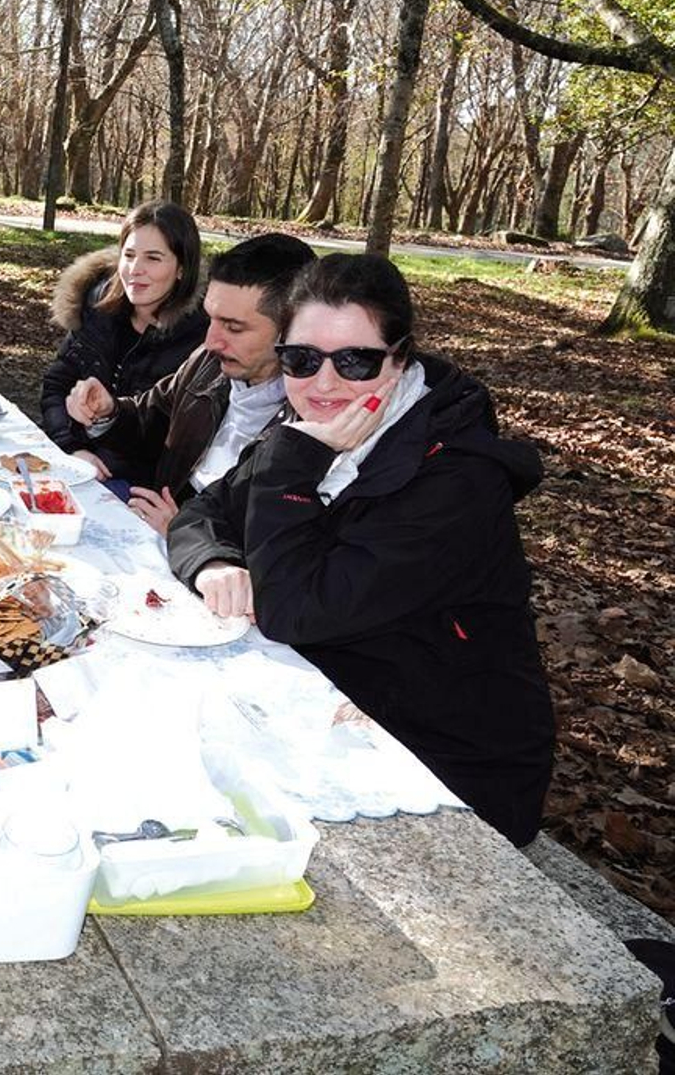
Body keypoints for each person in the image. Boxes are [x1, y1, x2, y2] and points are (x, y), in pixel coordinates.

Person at [166, 253, 556, 846]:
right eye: (301, 359)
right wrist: (216, 561)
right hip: (334, 702)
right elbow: (202, 512)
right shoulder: (317, 428)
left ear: (400, 358)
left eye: (355, 360)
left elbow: (295, 609)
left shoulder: (455, 481)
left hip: (448, 766)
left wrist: (292, 470)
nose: (324, 383)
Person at [66, 233, 316, 532]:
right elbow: (152, 417)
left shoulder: (316, 420)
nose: (211, 341)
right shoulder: (210, 364)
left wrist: (182, 533)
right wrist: (109, 412)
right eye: (211, 318)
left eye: (234, 327)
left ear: (293, 331)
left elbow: (280, 553)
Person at [40, 201, 208, 491]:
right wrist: (70, 448)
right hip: (73, 460)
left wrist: (106, 421)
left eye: (153, 258)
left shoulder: (199, 338)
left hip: (139, 485)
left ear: (182, 268)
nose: (135, 270)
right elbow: (56, 384)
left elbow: (175, 441)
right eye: (129, 255)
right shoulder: (97, 306)